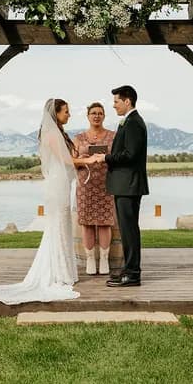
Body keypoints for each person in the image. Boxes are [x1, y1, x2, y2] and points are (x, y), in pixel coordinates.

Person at [0, 99, 98, 304]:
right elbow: (65, 160)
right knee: (58, 225)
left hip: (63, 183)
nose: (69, 115)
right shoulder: (52, 134)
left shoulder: (58, 133)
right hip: (57, 185)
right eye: (66, 112)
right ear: (56, 113)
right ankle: (58, 273)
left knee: (62, 225)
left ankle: (63, 271)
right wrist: (88, 160)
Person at [93, 85, 148, 287]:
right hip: (125, 185)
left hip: (129, 185)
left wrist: (105, 157)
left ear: (127, 101)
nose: (114, 105)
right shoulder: (129, 122)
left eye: (116, 101)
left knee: (129, 230)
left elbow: (130, 155)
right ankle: (128, 270)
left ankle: (133, 274)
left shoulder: (133, 123)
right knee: (127, 230)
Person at [73, 102, 116, 275]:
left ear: (104, 116)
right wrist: (82, 159)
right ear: (88, 116)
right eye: (93, 113)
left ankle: (104, 259)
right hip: (85, 185)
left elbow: (118, 158)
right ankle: (90, 259)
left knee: (105, 223)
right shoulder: (79, 138)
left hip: (106, 183)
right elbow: (72, 162)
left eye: (100, 113)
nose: (96, 116)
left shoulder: (113, 136)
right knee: (87, 223)